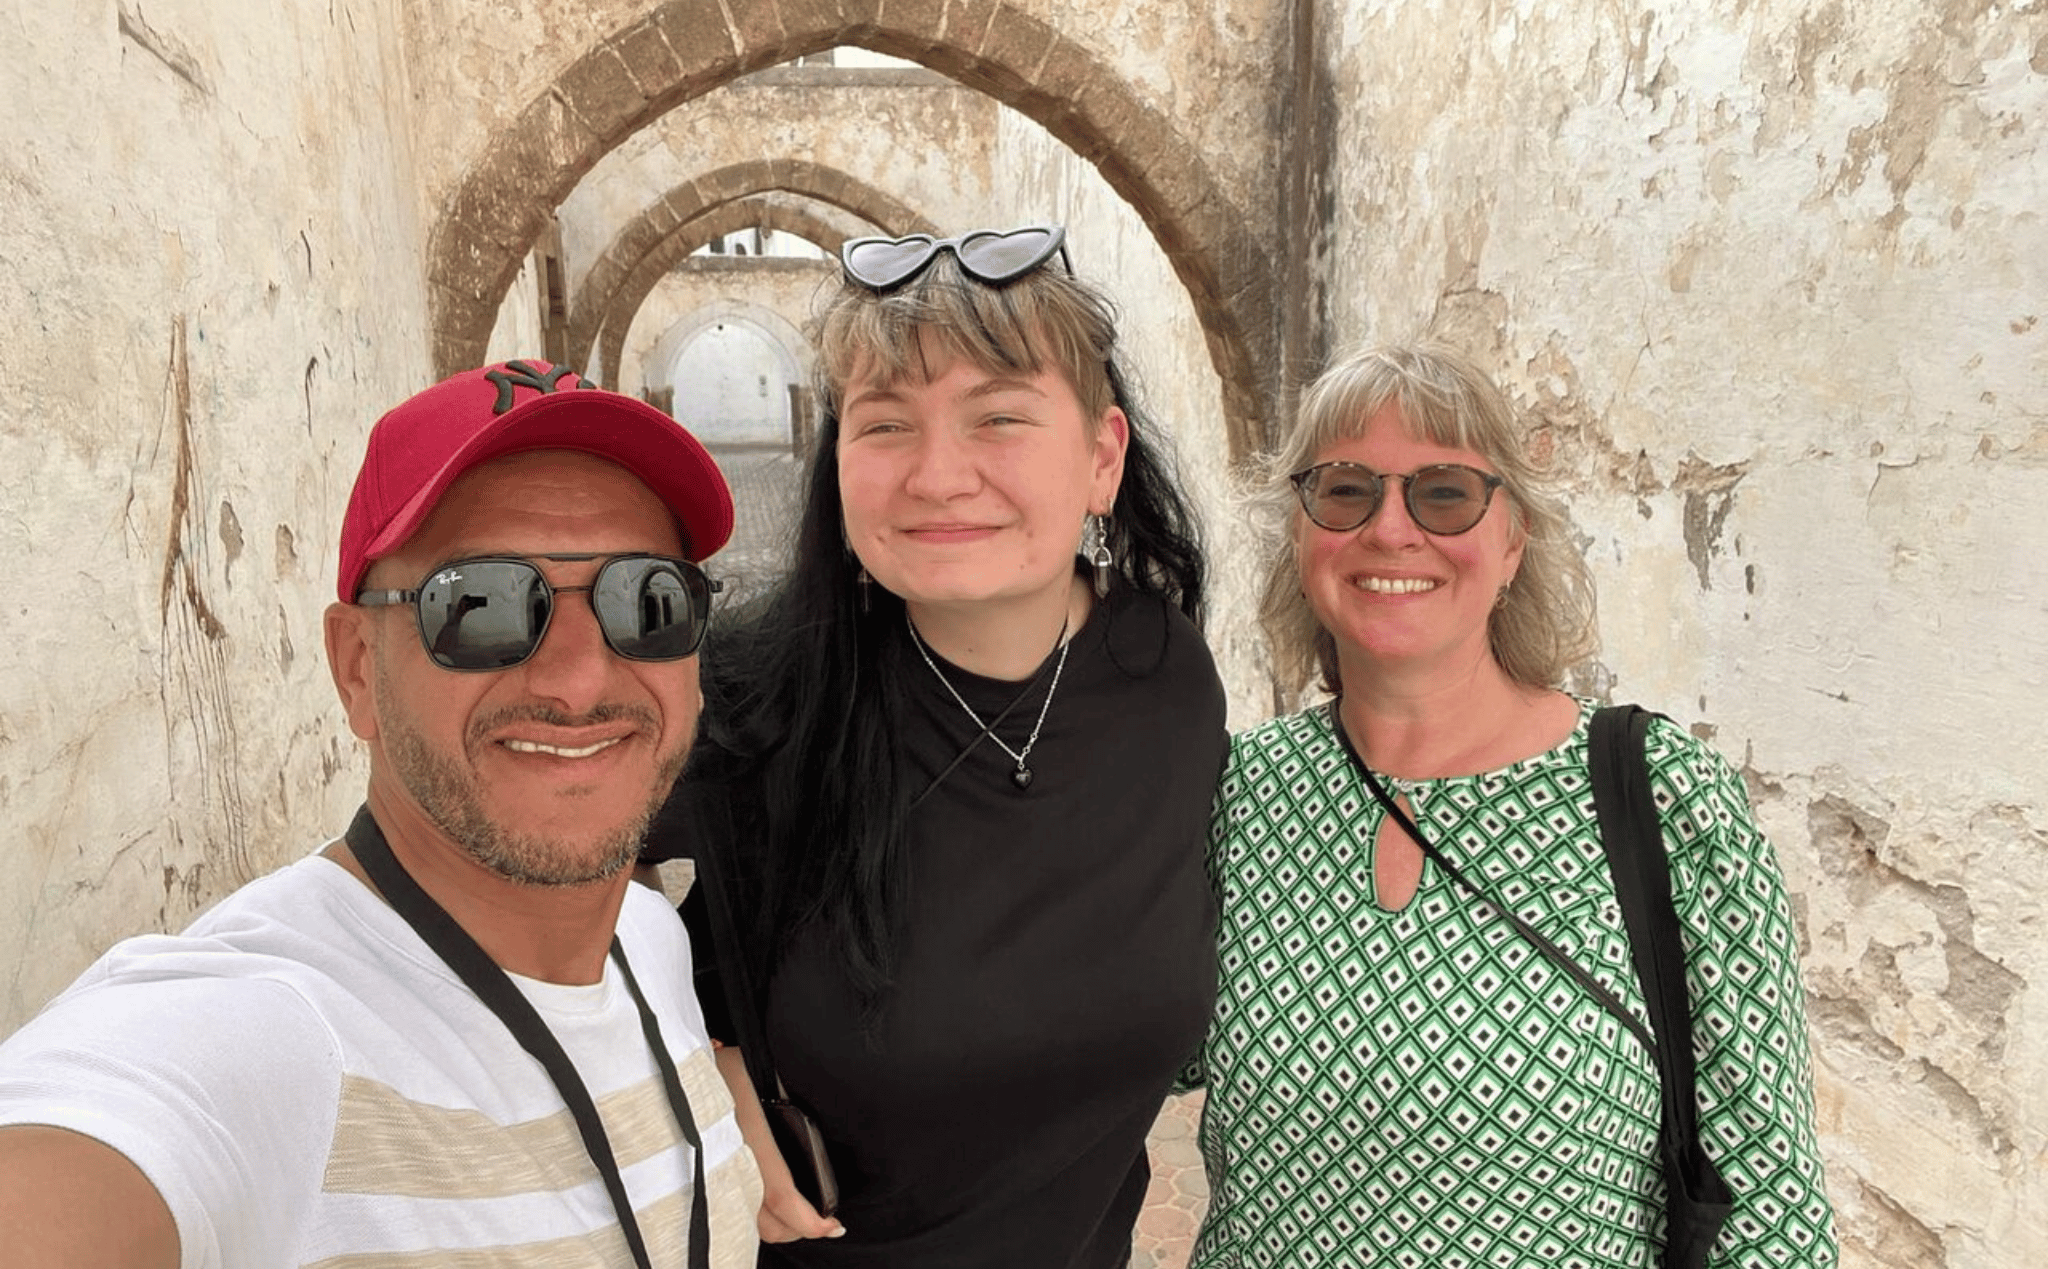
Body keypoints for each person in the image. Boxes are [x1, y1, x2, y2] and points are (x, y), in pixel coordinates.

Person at [0, 359, 762, 1268]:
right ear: (358, 666)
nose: (579, 677)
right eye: (479, 605)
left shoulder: (648, 941)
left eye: (647, 600)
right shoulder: (266, 1038)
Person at [642, 224, 1227, 1266]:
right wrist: (690, 1065)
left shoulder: (1165, 677)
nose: (937, 475)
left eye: (997, 417)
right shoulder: (748, 705)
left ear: (1102, 458)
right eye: (885, 425)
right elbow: (556, 907)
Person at [1187, 341, 1838, 1267]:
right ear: (1300, 534)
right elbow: (1129, 1044)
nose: (1391, 529)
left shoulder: (1663, 798)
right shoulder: (1241, 789)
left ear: (1512, 541)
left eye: (1445, 493)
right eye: (1345, 490)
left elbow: (1771, 1212)